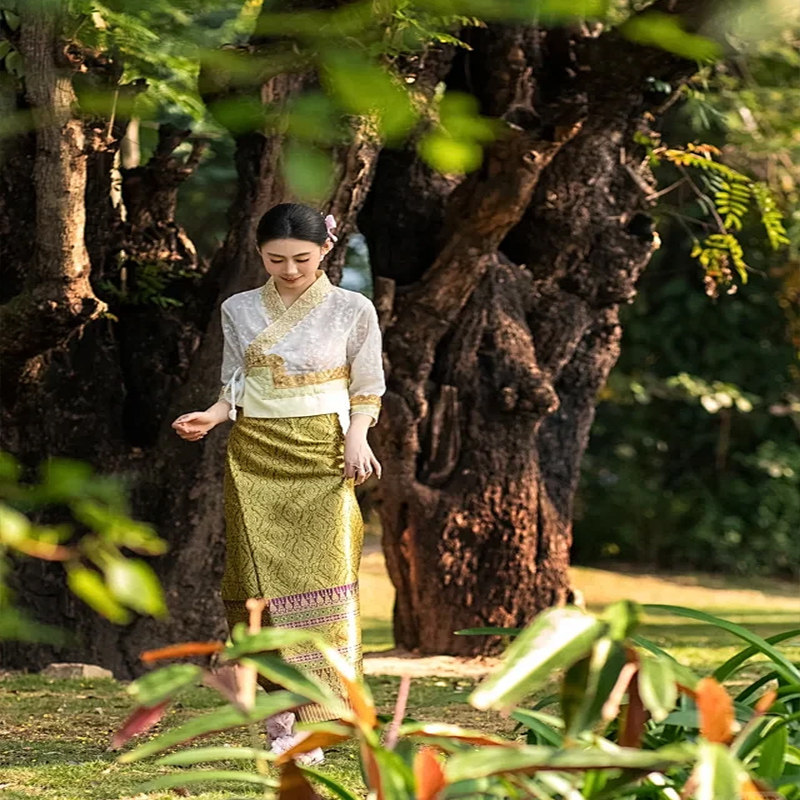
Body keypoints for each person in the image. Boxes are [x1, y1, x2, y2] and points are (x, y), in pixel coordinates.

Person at [171, 203, 385, 765]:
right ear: (259, 253)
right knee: (253, 584)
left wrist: (358, 439)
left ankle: (324, 716)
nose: (289, 269)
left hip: (324, 452)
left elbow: (367, 388)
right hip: (255, 453)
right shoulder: (239, 308)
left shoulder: (351, 309)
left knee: (328, 580)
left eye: (301, 258)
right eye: (275, 259)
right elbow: (235, 384)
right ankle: (280, 713)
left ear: (325, 252)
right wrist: (212, 417)